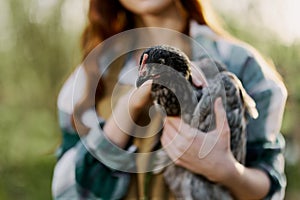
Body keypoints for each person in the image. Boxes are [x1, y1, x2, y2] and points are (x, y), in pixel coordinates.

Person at [52, 0, 287, 199]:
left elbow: (270, 186)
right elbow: (66, 192)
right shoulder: (88, 80)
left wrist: (226, 171)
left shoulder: (242, 66)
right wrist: (128, 108)